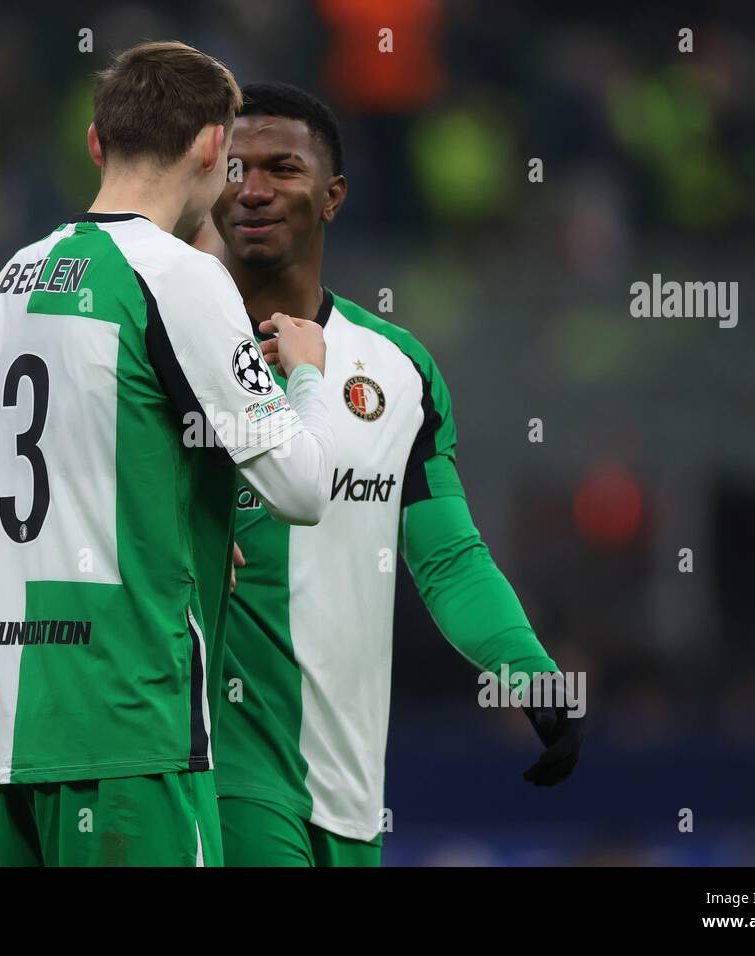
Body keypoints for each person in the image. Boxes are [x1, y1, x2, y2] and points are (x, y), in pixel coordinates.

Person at [0, 46, 337, 867]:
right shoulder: (179, 278)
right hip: (133, 735)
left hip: (8, 746)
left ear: (96, 144)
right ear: (213, 148)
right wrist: (308, 376)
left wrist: (151, 513)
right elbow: (303, 485)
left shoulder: (2, 288)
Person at [210, 82, 584, 867]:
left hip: (350, 788)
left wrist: (533, 677)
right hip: (221, 770)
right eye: (234, 167)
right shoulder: (170, 349)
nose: (253, 188)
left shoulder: (399, 369)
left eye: (282, 167)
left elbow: (445, 557)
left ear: (333, 195)